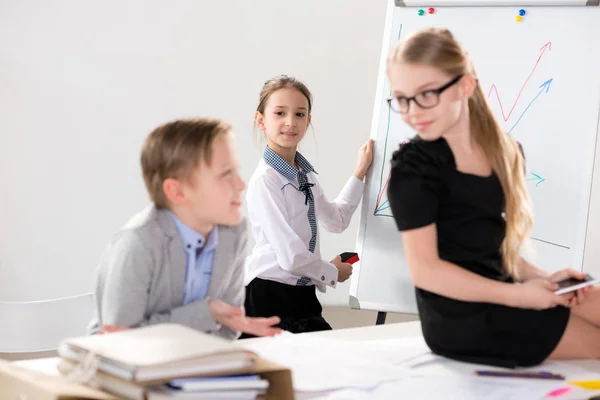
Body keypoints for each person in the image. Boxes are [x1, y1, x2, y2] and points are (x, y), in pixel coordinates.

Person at [386, 27, 600, 367]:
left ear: (465, 85)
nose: (412, 111)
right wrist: (520, 296)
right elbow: (426, 271)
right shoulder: (412, 171)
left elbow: (492, 250)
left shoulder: (506, 153)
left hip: (507, 292)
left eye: (426, 94)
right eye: (401, 98)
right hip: (461, 320)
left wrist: (544, 281)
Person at [89, 118, 281, 339]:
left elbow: (229, 328)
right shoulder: (138, 243)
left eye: (236, 171)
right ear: (177, 192)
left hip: (197, 365)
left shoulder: (234, 232)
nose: (241, 184)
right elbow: (120, 340)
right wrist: (206, 313)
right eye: (225, 174)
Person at [243, 75, 374, 335]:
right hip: (269, 294)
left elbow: (336, 221)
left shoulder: (305, 175)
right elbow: (291, 256)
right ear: (261, 120)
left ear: (308, 121)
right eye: (279, 113)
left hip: (302, 294)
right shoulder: (265, 180)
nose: (290, 122)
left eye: (300, 114)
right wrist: (331, 271)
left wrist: (360, 171)